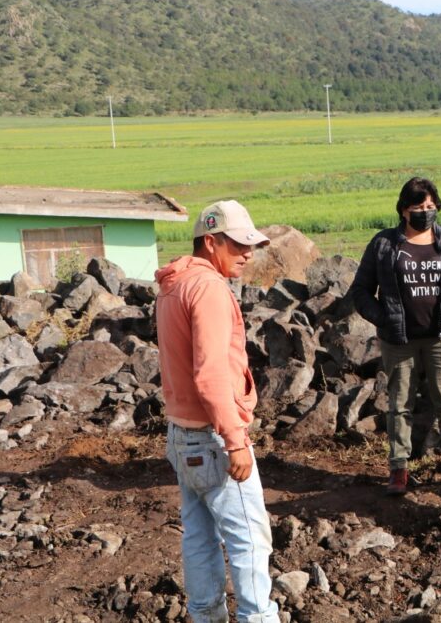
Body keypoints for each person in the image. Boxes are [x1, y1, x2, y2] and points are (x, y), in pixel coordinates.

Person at [156, 200, 280, 622]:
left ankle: (205, 616)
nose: (247, 253)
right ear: (210, 241)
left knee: (199, 536)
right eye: (238, 244)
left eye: (251, 245)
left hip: (182, 433)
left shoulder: (174, 284)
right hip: (213, 437)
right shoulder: (208, 288)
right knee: (249, 540)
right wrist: (235, 440)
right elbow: (210, 375)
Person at [351, 177, 441, 498]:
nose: (425, 212)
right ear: (403, 210)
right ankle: (398, 468)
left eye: (430, 206)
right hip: (399, 341)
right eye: (418, 207)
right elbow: (361, 290)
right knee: (399, 405)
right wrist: (384, 318)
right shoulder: (384, 244)